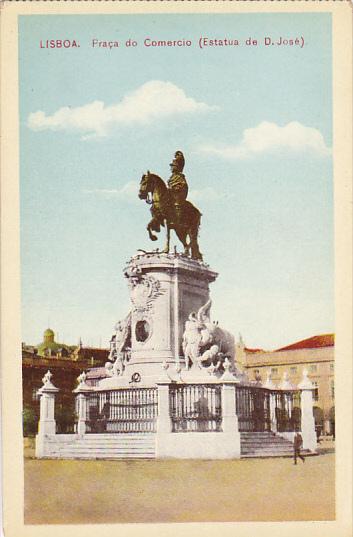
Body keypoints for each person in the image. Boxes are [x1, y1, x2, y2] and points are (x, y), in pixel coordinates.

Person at [167, 151, 188, 226]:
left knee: (177, 204)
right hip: (171, 195)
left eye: (173, 166)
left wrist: (175, 188)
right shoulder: (172, 177)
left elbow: (183, 185)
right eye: (171, 166)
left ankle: (178, 221)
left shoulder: (180, 176)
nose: (171, 168)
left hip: (178, 195)